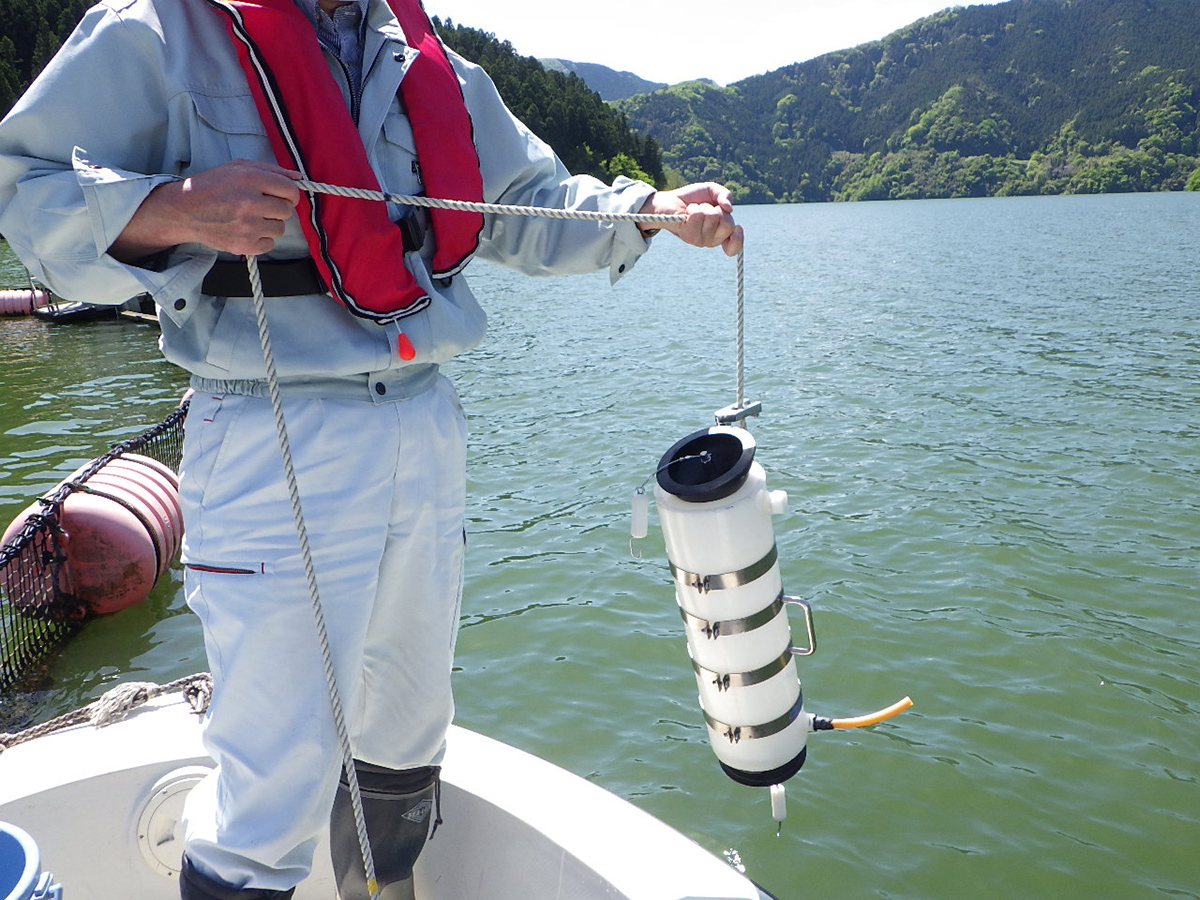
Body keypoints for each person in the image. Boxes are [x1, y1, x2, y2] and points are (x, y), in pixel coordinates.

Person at [0, 0, 742, 897]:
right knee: (269, 796)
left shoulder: (432, 64)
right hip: (272, 426)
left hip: (423, 422)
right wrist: (176, 209)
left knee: (405, 739)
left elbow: (524, 205)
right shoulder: (161, 30)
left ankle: (382, 887)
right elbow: (23, 186)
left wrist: (651, 212)